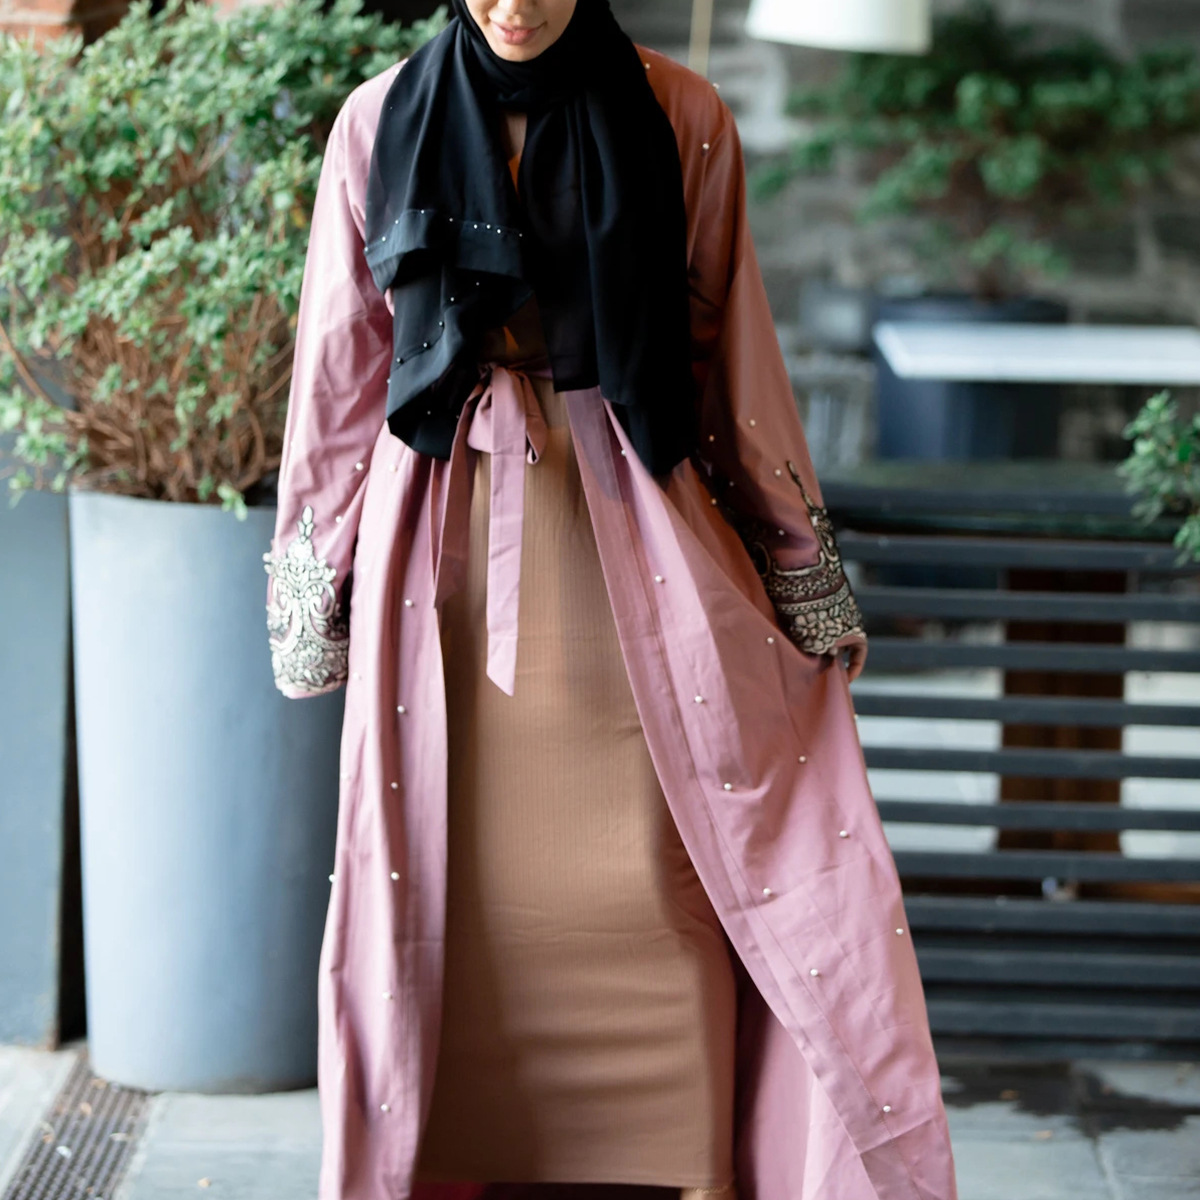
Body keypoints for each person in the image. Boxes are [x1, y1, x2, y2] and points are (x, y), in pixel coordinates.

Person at [263, 2, 958, 1199]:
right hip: (441, 557)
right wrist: (314, 579)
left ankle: (688, 1163)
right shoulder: (375, 124)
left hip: (638, 531)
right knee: (453, 891)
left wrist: (797, 566)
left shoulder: (685, 116)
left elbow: (731, 357)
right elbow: (342, 371)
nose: (514, 5)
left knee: (661, 875)